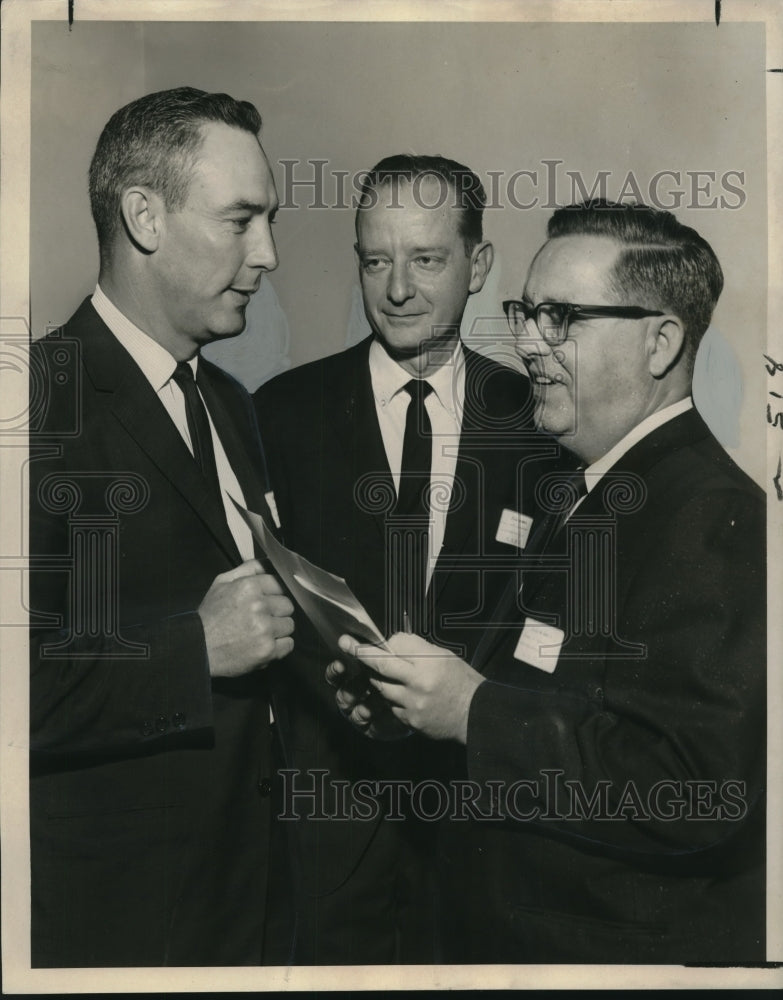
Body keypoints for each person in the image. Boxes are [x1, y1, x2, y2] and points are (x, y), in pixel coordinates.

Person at [334, 200, 766, 964]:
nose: (527, 343)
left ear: (660, 342)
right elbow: (538, 690)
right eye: (525, 312)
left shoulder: (711, 516)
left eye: (560, 318)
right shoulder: (575, 487)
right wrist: (408, 703)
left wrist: (471, 711)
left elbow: (698, 790)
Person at [253, 155, 558, 963]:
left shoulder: (537, 423)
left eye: (425, 259)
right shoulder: (279, 414)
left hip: (483, 818)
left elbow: (557, 623)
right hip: (327, 812)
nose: (397, 289)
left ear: (478, 265)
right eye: (375, 260)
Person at [28, 87, 296, 967]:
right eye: (240, 221)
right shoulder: (32, 405)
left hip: (247, 898)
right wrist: (195, 648)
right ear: (143, 216)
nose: (268, 254)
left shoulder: (231, 403)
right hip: (116, 923)